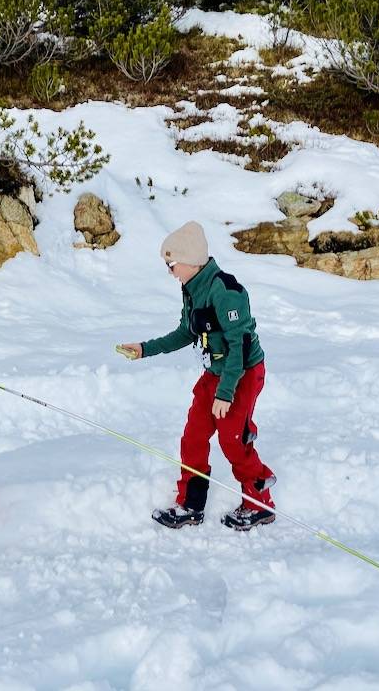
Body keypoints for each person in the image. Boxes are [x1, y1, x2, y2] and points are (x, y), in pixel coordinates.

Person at [120, 221, 277, 531]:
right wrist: (144, 349)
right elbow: (185, 332)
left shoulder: (225, 291)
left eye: (172, 264)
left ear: (191, 260)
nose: (170, 272)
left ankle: (260, 503)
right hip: (214, 373)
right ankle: (191, 504)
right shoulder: (191, 289)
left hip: (241, 373)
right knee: (194, 435)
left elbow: (239, 346)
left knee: (233, 439)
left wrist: (226, 392)